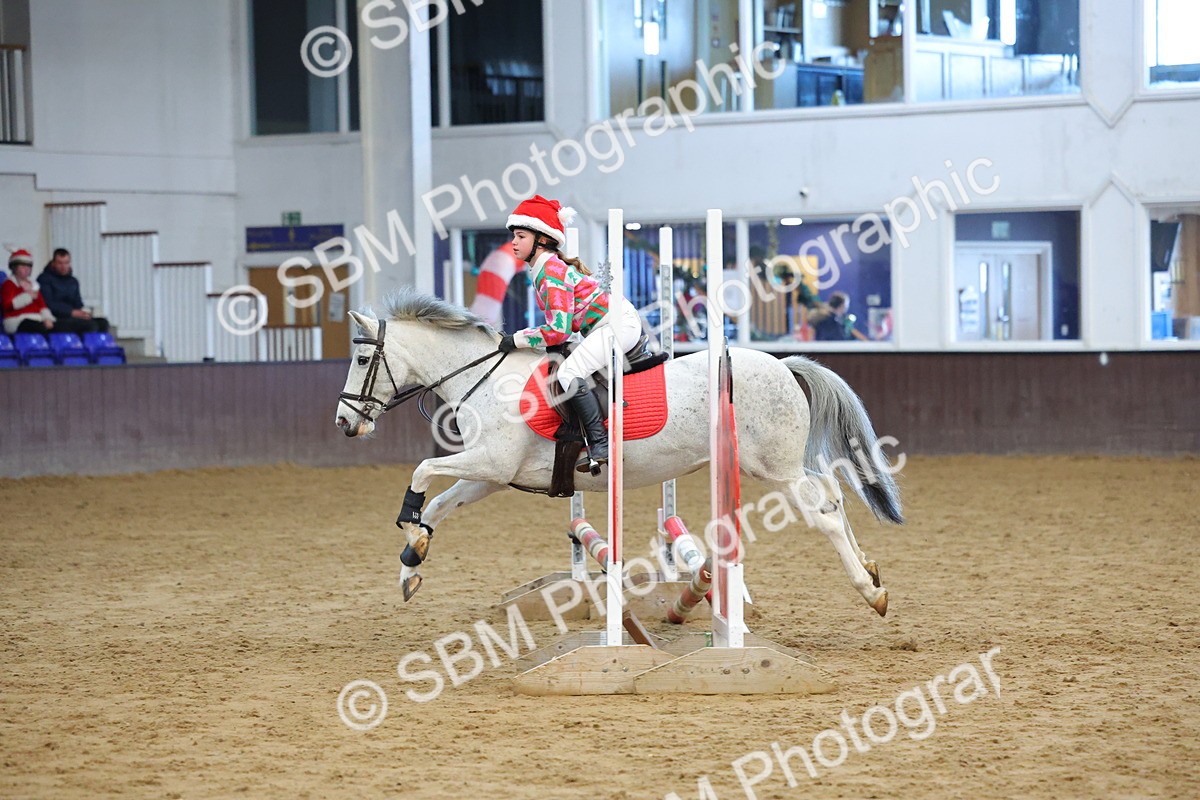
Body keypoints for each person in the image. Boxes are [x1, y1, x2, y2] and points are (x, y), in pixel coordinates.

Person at [498, 195, 643, 472]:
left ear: (542, 240)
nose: (513, 242)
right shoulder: (545, 269)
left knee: (568, 373)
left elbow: (558, 331)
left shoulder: (551, 272)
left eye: (520, 236)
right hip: (607, 325)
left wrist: (517, 339)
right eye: (514, 236)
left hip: (617, 325)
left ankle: (600, 443)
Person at [38, 248, 110, 334]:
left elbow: (78, 303)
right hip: (55, 318)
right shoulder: (44, 279)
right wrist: (71, 312)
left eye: (66, 263)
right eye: (60, 263)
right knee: (89, 326)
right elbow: (48, 304)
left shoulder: (73, 281)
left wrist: (84, 313)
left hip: (73, 317)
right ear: (53, 263)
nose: (63, 266)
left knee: (103, 323)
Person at [2, 249, 57, 334]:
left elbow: (42, 306)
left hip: (37, 318)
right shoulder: (8, 284)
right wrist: (28, 296)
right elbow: (7, 305)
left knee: (62, 326)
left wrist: (47, 318)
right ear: (14, 267)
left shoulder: (34, 285)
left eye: (29, 266)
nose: (26, 269)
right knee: (36, 326)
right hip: (17, 320)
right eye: (22, 266)